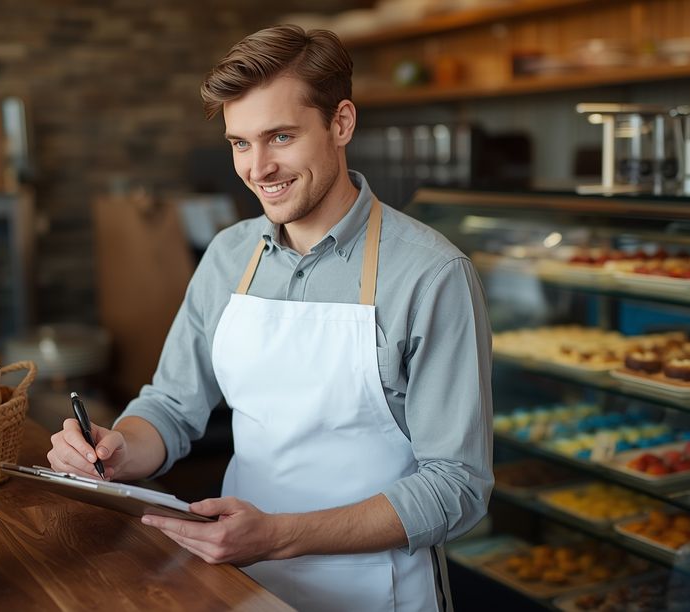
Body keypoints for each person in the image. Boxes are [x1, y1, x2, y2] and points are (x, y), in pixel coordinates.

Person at [48, 24, 493, 612]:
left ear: (341, 124)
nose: (259, 168)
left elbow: (457, 487)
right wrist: (117, 450)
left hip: (379, 590)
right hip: (242, 582)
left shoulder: (431, 274)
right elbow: (173, 407)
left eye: (280, 137)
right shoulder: (229, 256)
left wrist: (280, 534)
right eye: (240, 143)